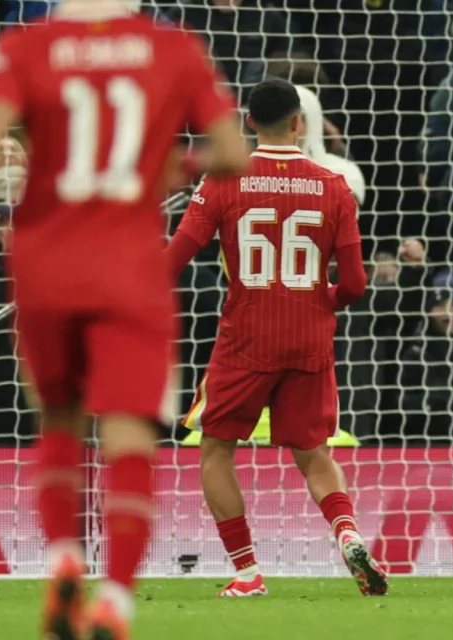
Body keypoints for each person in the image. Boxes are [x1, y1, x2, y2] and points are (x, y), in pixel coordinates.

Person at [0, 1, 250, 638]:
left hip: (45, 260)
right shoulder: (174, 46)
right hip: (130, 267)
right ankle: (116, 598)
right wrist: (165, 170)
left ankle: (65, 563)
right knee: (127, 434)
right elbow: (232, 152)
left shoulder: (26, 44)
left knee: (60, 417)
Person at [165, 77, 386, 598]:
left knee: (216, 450)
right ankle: (348, 533)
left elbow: (172, 262)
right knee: (314, 452)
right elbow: (354, 284)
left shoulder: (224, 180)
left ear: (247, 124)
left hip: (246, 335)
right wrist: (316, 301)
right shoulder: (334, 186)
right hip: (310, 338)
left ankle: (247, 573)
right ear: (298, 123)